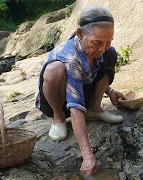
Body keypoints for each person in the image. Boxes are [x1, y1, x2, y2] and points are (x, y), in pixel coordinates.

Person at [35, 6, 126, 176]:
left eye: (108, 41)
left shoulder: (102, 50)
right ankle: (59, 118)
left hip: (82, 94)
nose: (102, 48)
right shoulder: (70, 56)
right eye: (97, 42)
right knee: (55, 69)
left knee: (111, 54)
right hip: (58, 100)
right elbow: (75, 106)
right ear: (80, 34)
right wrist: (87, 155)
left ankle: (95, 108)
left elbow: (89, 75)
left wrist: (110, 91)